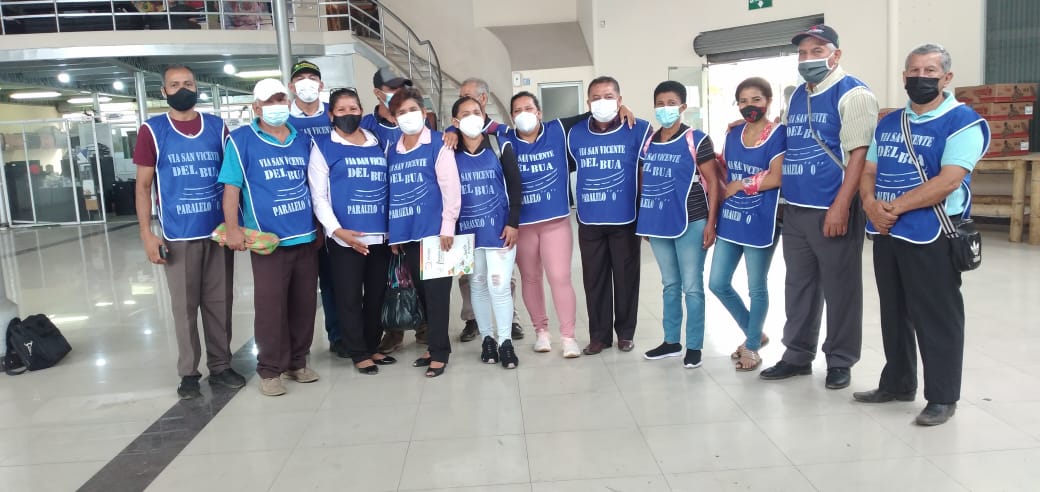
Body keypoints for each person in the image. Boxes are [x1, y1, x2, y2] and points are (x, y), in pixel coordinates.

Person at [856, 44, 988, 426]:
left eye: (930, 71)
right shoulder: (889, 123)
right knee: (894, 310)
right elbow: (869, 170)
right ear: (904, 77)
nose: (920, 77)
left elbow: (949, 181)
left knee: (936, 316)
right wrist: (869, 204)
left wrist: (892, 208)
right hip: (887, 231)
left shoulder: (963, 122)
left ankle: (943, 397)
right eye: (914, 71)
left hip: (933, 233)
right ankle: (897, 383)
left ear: (947, 78)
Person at [759, 25, 878, 389]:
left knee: (841, 289)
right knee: (799, 286)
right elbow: (788, 139)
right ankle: (797, 355)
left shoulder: (853, 94)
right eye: (803, 52)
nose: (807, 58)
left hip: (832, 206)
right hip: (796, 208)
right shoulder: (798, 95)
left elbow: (859, 155)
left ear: (835, 55)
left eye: (817, 51)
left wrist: (841, 205)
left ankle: (840, 360)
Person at [133, 64, 243, 399]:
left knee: (219, 303)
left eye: (188, 83)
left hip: (217, 232)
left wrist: (237, 225)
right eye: (174, 84)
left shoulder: (217, 127)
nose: (182, 89)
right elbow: (143, 186)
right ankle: (189, 373)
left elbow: (233, 178)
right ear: (163, 91)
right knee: (184, 308)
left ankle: (221, 366)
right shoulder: (153, 131)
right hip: (178, 234)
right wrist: (147, 234)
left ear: (197, 88)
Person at [219, 78, 320, 396]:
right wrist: (233, 229)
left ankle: (297, 362)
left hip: (305, 236)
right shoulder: (241, 140)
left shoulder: (301, 139)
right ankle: (270, 369)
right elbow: (231, 189)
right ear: (256, 107)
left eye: (280, 99)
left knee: (304, 305)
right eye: (269, 101)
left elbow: (315, 185)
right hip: (267, 242)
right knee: (270, 308)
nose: (277, 105)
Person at [309, 87, 397, 375]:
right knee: (348, 297)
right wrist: (337, 231)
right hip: (345, 238)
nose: (348, 113)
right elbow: (319, 197)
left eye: (354, 108)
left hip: (379, 235)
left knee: (376, 295)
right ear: (331, 115)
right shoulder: (323, 146)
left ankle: (372, 345)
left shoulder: (375, 140)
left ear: (361, 111)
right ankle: (358, 351)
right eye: (342, 109)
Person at [636, 81, 721, 369]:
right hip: (659, 223)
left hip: (692, 220)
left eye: (671, 103)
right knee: (670, 284)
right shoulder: (649, 142)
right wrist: (646, 221)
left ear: (683, 107)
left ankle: (694, 346)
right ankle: (671, 341)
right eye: (660, 104)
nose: (665, 109)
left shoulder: (696, 139)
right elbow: (646, 183)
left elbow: (714, 183)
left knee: (692, 287)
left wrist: (711, 223)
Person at [566, 76, 652, 355]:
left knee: (626, 279)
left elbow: (647, 172)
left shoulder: (639, 129)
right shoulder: (575, 133)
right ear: (588, 102)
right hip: (589, 220)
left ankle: (625, 333)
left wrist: (647, 216)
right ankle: (599, 336)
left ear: (620, 100)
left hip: (625, 218)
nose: (602, 102)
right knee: (594, 280)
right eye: (596, 97)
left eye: (608, 96)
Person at [708, 77, 786, 372]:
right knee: (717, 282)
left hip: (761, 218)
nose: (749, 106)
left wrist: (741, 185)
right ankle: (755, 333)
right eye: (743, 101)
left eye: (756, 99)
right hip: (731, 218)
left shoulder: (778, 134)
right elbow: (726, 169)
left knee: (756, 287)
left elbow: (777, 177)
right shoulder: (733, 134)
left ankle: (751, 346)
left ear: (768, 101)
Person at [386, 87, 461, 378]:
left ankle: (440, 352)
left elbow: (450, 188)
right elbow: (393, 192)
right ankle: (432, 345)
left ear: (424, 112)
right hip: (407, 235)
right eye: (401, 112)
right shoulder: (393, 149)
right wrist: (394, 235)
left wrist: (447, 226)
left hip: (436, 234)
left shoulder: (438, 144)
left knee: (437, 295)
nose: (407, 116)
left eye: (412, 110)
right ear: (394, 118)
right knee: (422, 294)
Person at [501, 92, 582, 357]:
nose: (523, 113)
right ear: (511, 117)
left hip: (555, 221)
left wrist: (622, 109)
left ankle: (568, 336)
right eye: (517, 110)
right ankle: (541, 332)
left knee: (559, 277)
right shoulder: (505, 137)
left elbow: (590, 115)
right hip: (523, 224)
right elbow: (475, 123)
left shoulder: (557, 130)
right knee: (531, 278)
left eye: (529, 108)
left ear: (539, 112)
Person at [452, 95, 522, 369]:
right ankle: (487, 340)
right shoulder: (449, 151)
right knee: (477, 284)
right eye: (465, 114)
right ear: (455, 121)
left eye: (477, 112)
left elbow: (515, 186)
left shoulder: (498, 144)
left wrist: (513, 222)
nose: (472, 117)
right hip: (466, 234)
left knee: (499, 285)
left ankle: (505, 342)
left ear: (484, 117)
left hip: (499, 230)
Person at [285, 59, 342, 357]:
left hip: (334, 209)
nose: (306, 83)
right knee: (300, 284)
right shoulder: (283, 119)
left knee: (334, 280)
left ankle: (339, 336)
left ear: (321, 84)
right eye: (300, 78)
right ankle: (296, 347)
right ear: (291, 86)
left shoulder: (334, 115)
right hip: (296, 210)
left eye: (312, 77)